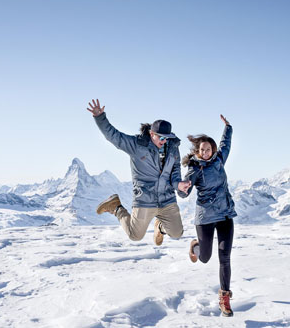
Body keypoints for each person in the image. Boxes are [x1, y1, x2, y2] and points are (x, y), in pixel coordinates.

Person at [87, 99, 191, 245]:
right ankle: (116, 207)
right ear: (151, 133)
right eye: (161, 137)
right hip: (145, 199)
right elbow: (114, 136)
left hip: (166, 198)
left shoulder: (173, 148)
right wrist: (100, 118)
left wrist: (178, 184)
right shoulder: (137, 145)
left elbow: (175, 171)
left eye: (167, 138)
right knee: (135, 236)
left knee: (177, 233)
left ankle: (160, 226)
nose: (164, 141)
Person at [179, 114, 236, 317]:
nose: (205, 152)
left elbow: (225, 144)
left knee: (225, 257)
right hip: (205, 218)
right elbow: (183, 191)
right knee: (204, 258)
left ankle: (224, 298)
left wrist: (228, 127)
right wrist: (183, 189)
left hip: (225, 215)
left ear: (212, 150)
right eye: (202, 149)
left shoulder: (219, 159)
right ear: (198, 151)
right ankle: (195, 246)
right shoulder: (194, 169)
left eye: (208, 149)